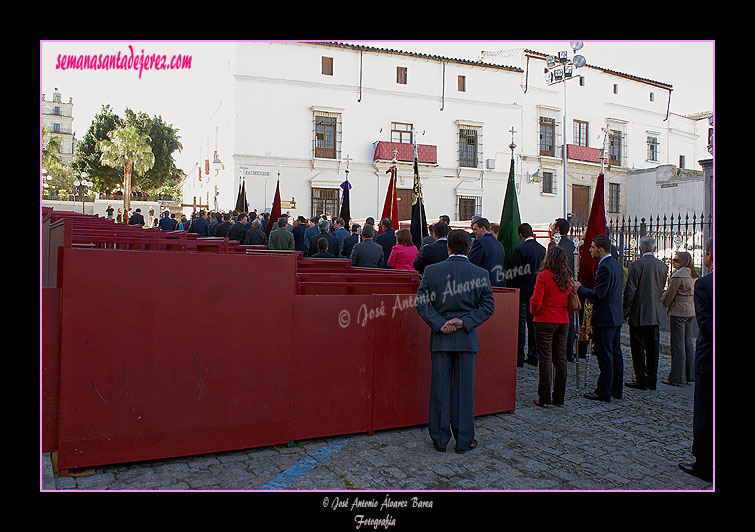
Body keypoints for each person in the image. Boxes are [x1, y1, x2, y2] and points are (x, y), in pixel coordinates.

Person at [415, 229, 495, 453]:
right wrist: (464, 322)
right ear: (469, 248)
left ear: (448, 247)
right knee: (465, 390)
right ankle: (464, 439)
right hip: (467, 337)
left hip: (441, 336)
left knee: (440, 389)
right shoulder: (480, 273)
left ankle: (439, 439)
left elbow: (421, 303)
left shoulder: (432, 271)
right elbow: (488, 307)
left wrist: (439, 323)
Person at [679, 238, 713, 483]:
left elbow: (708, 327)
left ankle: (704, 463)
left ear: (710, 255)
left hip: (709, 359)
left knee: (705, 412)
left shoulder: (706, 284)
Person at [575, 235, 624, 402]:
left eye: (593, 247)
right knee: (615, 354)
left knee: (606, 355)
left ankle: (604, 390)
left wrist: (580, 289)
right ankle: (616, 388)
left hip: (605, 316)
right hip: (615, 315)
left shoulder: (605, 267)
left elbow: (599, 294)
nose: (590, 250)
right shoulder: (616, 265)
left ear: (601, 249)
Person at [623, 235, 669, 391]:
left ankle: (641, 378)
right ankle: (652, 379)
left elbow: (631, 291)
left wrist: (626, 311)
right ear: (654, 249)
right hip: (654, 312)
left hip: (639, 312)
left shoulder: (636, 265)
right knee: (653, 347)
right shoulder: (663, 266)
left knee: (638, 347)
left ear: (640, 249)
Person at [530, 245, 572, 407]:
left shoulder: (543, 276)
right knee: (560, 359)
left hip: (545, 319)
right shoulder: (566, 277)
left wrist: (535, 312)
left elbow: (536, 300)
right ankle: (559, 397)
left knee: (546, 359)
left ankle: (545, 397)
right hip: (563, 320)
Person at [507, 223, 547, 367]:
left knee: (520, 325)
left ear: (521, 235)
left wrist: (511, 284)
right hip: (536, 291)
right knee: (533, 325)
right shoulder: (542, 249)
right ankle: (533, 355)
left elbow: (514, 271)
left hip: (522, 291)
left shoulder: (520, 249)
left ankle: (519, 356)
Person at [661, 251, 698, 386]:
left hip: (679, 312)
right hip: (690, 311)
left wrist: (664, 303)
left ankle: (677, 377)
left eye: (676, 260)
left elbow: (670, 294)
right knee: (687, 342)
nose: (673, 262)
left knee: (677, 344)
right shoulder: (693, 275)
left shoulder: (678, 276)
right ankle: (690, 374)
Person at [552, 218, 578, 362]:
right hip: (568, 285)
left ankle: (559, 350)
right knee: (569, 320)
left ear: (558, 229)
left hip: (557, 285)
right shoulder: (572, 245)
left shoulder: (555, 245)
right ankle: (568, 350)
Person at [468, 217, 506, 287]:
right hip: (498, 284)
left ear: (482, 228)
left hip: (483, 284)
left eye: (475, 229)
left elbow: (471, 264)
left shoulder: (479, 242)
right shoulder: (499, 244)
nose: (473, 232)